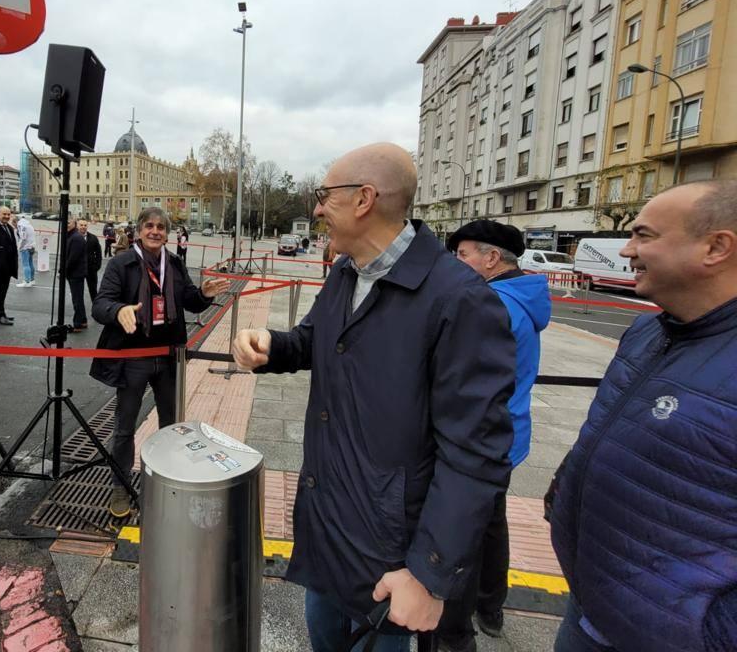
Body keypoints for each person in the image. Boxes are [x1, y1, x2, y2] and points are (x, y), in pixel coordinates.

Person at [232, 143, 516, 652]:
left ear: (364, 199)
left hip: (393, 561)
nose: (316, 208)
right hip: (329, 532)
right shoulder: (347, 271)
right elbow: (313, 338)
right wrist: (272, 346)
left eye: (325, 196)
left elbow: (475, 457)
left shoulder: (462, 301)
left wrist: (428, 576)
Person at [548, 180, 737, 652]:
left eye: (644, 235)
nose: (628, 250)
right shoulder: (646, 331)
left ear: (716, 247)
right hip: (591, 610)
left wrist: (709, 635)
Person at [439, 221, 551, 651]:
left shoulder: (492, 304)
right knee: (489, 524)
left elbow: (457, 377)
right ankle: (491, 606)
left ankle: (459, 626)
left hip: (483, 436)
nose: (456, 262)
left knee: (465, 531)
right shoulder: (519, 297)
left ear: (491, 258)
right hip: (508, 431)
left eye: (463, 254)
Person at [91, 207, 230, 518]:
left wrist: (204, 294)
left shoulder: (175, 263)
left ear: (167, 234)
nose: (155, 231)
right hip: (133, 358)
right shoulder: (121, 263)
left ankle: (168, 479)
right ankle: (120, 486)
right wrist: (118, 311)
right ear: (139, 231)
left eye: (161, 227)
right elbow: (100, 304)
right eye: (149, 226)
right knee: (125, 427)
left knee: (172, 424)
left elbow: (189, 301)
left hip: (168, 356)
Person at [64, 217, 89, 332]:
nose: (66, 224)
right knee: (78, 298)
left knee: (77, 299)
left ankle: (77, 324)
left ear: (74, 224)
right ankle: (83, 321)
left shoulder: (76, 238)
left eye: (68, 222)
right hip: (75, 273)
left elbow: (72, 258)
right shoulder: (72, 236)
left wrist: (64, 271)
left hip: (76, 274)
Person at [0, 206, 18, 325]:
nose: (7, 217)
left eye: (9, 215)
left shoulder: (9, 227)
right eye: (4, 214)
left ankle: (1, 313)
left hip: (7, 268)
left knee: (2, 293)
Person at [79, 219, 104, 302]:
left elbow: (99, 252)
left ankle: (96, 308)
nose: (83, 227)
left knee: (93, 290)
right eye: (81, 225)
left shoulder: (93, 238)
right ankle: (79, 311)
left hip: (91, 269)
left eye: (85, 225)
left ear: (87, 226)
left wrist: (97, 266)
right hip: (78, 269)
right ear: (78, 226)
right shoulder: (73, 237)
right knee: (78, 292)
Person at [16, 213, 37, 288]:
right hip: (31, 246)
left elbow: (23, 237)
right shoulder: (29, 225)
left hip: (25, 247)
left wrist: (19, 247)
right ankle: (32, 280)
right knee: (30, 263)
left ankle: (27, 281)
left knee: (25, 264)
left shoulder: (21, 225)